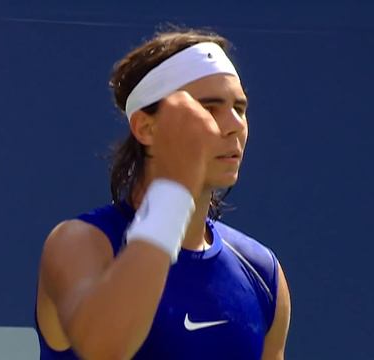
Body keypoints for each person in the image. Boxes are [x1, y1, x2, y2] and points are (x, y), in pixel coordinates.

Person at [34, 28, 291, 359]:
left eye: (239, 108)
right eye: (209, 109)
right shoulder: (78, 244)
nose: (233, 125)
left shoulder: (262, 272)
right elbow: (104, 348)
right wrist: (175, 187)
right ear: (145, 128)